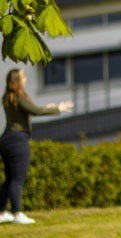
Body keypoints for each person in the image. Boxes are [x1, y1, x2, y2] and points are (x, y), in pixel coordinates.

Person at [0, 69, 73, 224]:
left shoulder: (7, 97)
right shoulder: (19, 97)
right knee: (18, 179)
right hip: (18, 141)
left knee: (9, 179)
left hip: (6, 139)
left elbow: (30, 110)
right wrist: (57, 109)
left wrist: (46, 107)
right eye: (23, 77)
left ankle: (2, 213)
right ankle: (18, 214)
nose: (25, 79)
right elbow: (36, 111)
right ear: (16, 80)